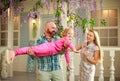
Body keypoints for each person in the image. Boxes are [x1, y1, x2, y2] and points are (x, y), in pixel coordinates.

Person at [7, 27, 78, 64]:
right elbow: (69, 43)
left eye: (72, 34)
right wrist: (74, 49)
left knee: (33, 52)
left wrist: (68, 62)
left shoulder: (67, 44)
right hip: (48, 47)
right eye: (69, 33)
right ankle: (14, 52)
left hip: (48, 52)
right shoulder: (65, 39)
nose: (70, 35)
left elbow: (66, 54)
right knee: (32, 49)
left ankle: (14, 54)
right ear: (65, 34)